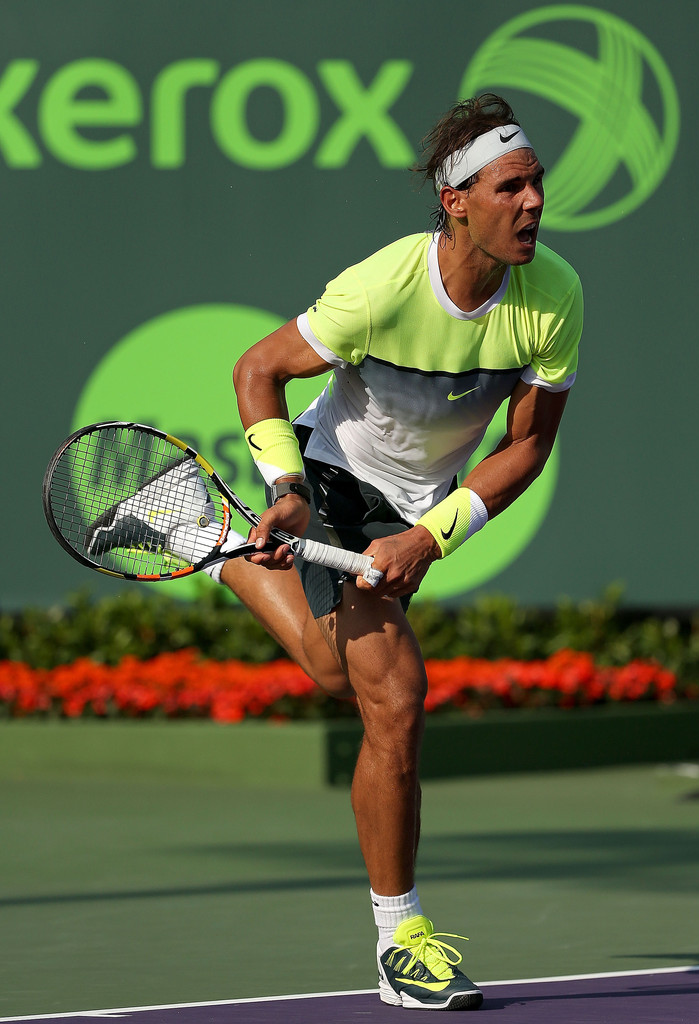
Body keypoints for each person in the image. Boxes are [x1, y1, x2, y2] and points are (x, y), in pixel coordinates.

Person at [211, 93, 582, 1010]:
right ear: (457, 200)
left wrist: (434, 532)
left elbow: (527, 445)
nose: (533, 203)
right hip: (338, 480)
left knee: (340, 679)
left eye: (537, 185)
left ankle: (222, 553)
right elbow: (257, 370)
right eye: (512, 187)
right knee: (397, 699)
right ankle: (400, 942)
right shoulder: (379, 287)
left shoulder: (555, 295)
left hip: (416, 508)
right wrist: (288, 490)